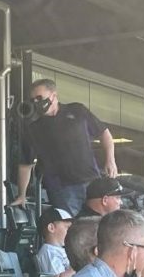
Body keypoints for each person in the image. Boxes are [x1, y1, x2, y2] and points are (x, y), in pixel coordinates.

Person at [12, 78, 118, 215]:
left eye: (39, 98)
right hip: (62, 189)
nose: (36, 103)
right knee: (69, 226)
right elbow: (25, 164)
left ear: (54, 95)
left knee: (98, 223)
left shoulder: (77, 111)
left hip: (91, 181)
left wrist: (110, 160)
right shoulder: (33, 129)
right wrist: (22, 194)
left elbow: (104, 133)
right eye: (33, 100)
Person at [35, 206, 74, 277]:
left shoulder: (60, 250)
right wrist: (77, 267)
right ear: (51, 228)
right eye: (68, 228)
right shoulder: (48, 251)